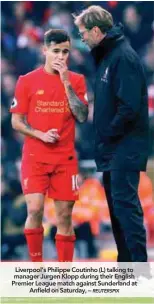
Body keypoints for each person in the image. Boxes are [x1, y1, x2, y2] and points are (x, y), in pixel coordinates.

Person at [74, 6, 149, 262]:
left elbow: (129, 107)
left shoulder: (122, 57)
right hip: (113, 149)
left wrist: (107, 132)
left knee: (126, 208)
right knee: (118, 210)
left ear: (96, 30)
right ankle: (126, 266)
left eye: (83, 32)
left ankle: (137, 270)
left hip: (124, 148)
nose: (81, 38)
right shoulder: (108, 56)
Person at [10, 29, 88, 262]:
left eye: (65, 52)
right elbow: (16, 121)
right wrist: (40, 135)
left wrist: (66, 84)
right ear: (44, 50)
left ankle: (64, 278)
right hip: (35, 157)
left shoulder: (77, 80)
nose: (61, 56)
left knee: (64, 217)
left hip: (65, 159)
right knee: (34, 209)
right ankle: (37, 270)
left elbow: (82, 115)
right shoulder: (27, 81)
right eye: (56, 51)